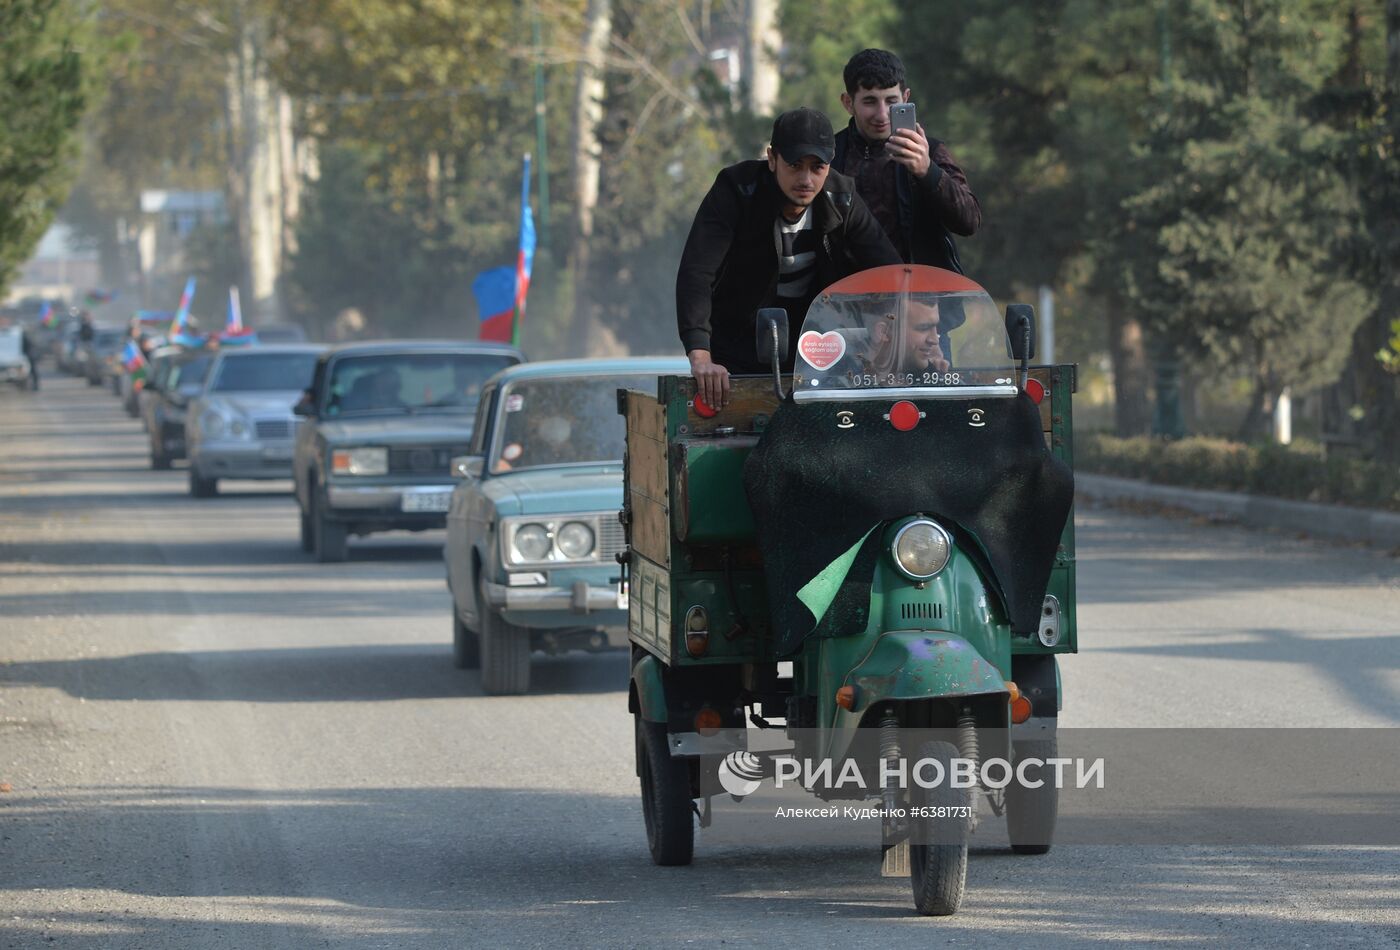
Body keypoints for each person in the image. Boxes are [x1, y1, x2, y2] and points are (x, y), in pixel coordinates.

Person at [677, 107, 901, 409]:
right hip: (736, 349)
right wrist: (701, 357)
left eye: (817, 166)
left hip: (818, 351)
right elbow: (697, 273)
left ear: (830, 165)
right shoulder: (737, 190)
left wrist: (888, 329)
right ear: (772, 158)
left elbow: (890, 272)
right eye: (795, 165)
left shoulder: (843, 198)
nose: (806, 179)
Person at [835, 49, 981, 275]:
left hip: (925, 299)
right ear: (848, 102)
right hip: (848, 300)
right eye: (870, 101)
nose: (882, 114)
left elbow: (969, 221)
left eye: (891, 101)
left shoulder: (930, 150)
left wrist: (928, 172)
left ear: (905, 98)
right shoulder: (830, 158)